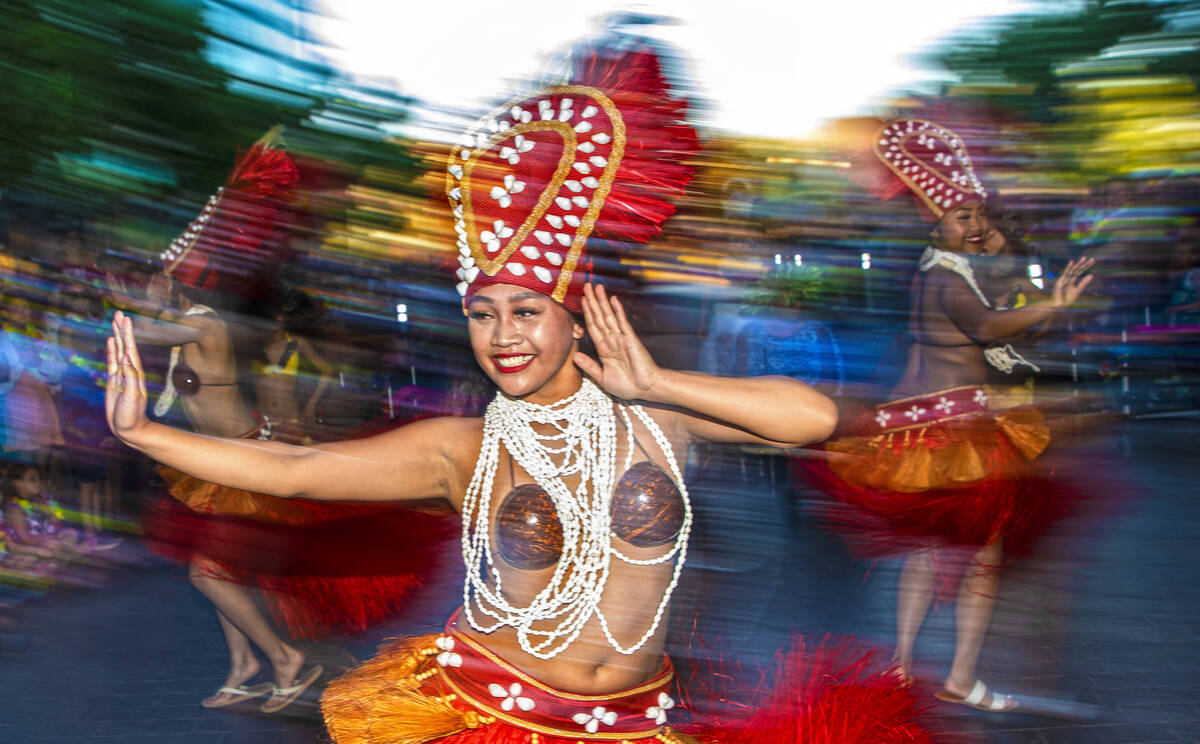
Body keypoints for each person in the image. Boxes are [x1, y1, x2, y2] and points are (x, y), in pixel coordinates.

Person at [105, 46, 928, 744]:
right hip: (490, 714)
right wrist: (145, 433)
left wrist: (661, 383)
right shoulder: (462, 447)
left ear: (574, 322)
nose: (503, 335)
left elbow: (821, 420)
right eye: (482, 314)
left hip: (642, 721)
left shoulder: (658, 418)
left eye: (527, 312)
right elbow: (296, 471)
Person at [804, 118, 1094, 713]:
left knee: (930, 551)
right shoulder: (942, 275)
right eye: (963, 216)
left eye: (977, 215)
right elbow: (985, 328)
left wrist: (1006, 266)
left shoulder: (949, 267)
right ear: (934, 221)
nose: (977, 226)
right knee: (978, 557)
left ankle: (905, 667)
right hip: (953, 432)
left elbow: (989, 312)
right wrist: (1051, 303)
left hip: (932, 423)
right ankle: (955, 674)